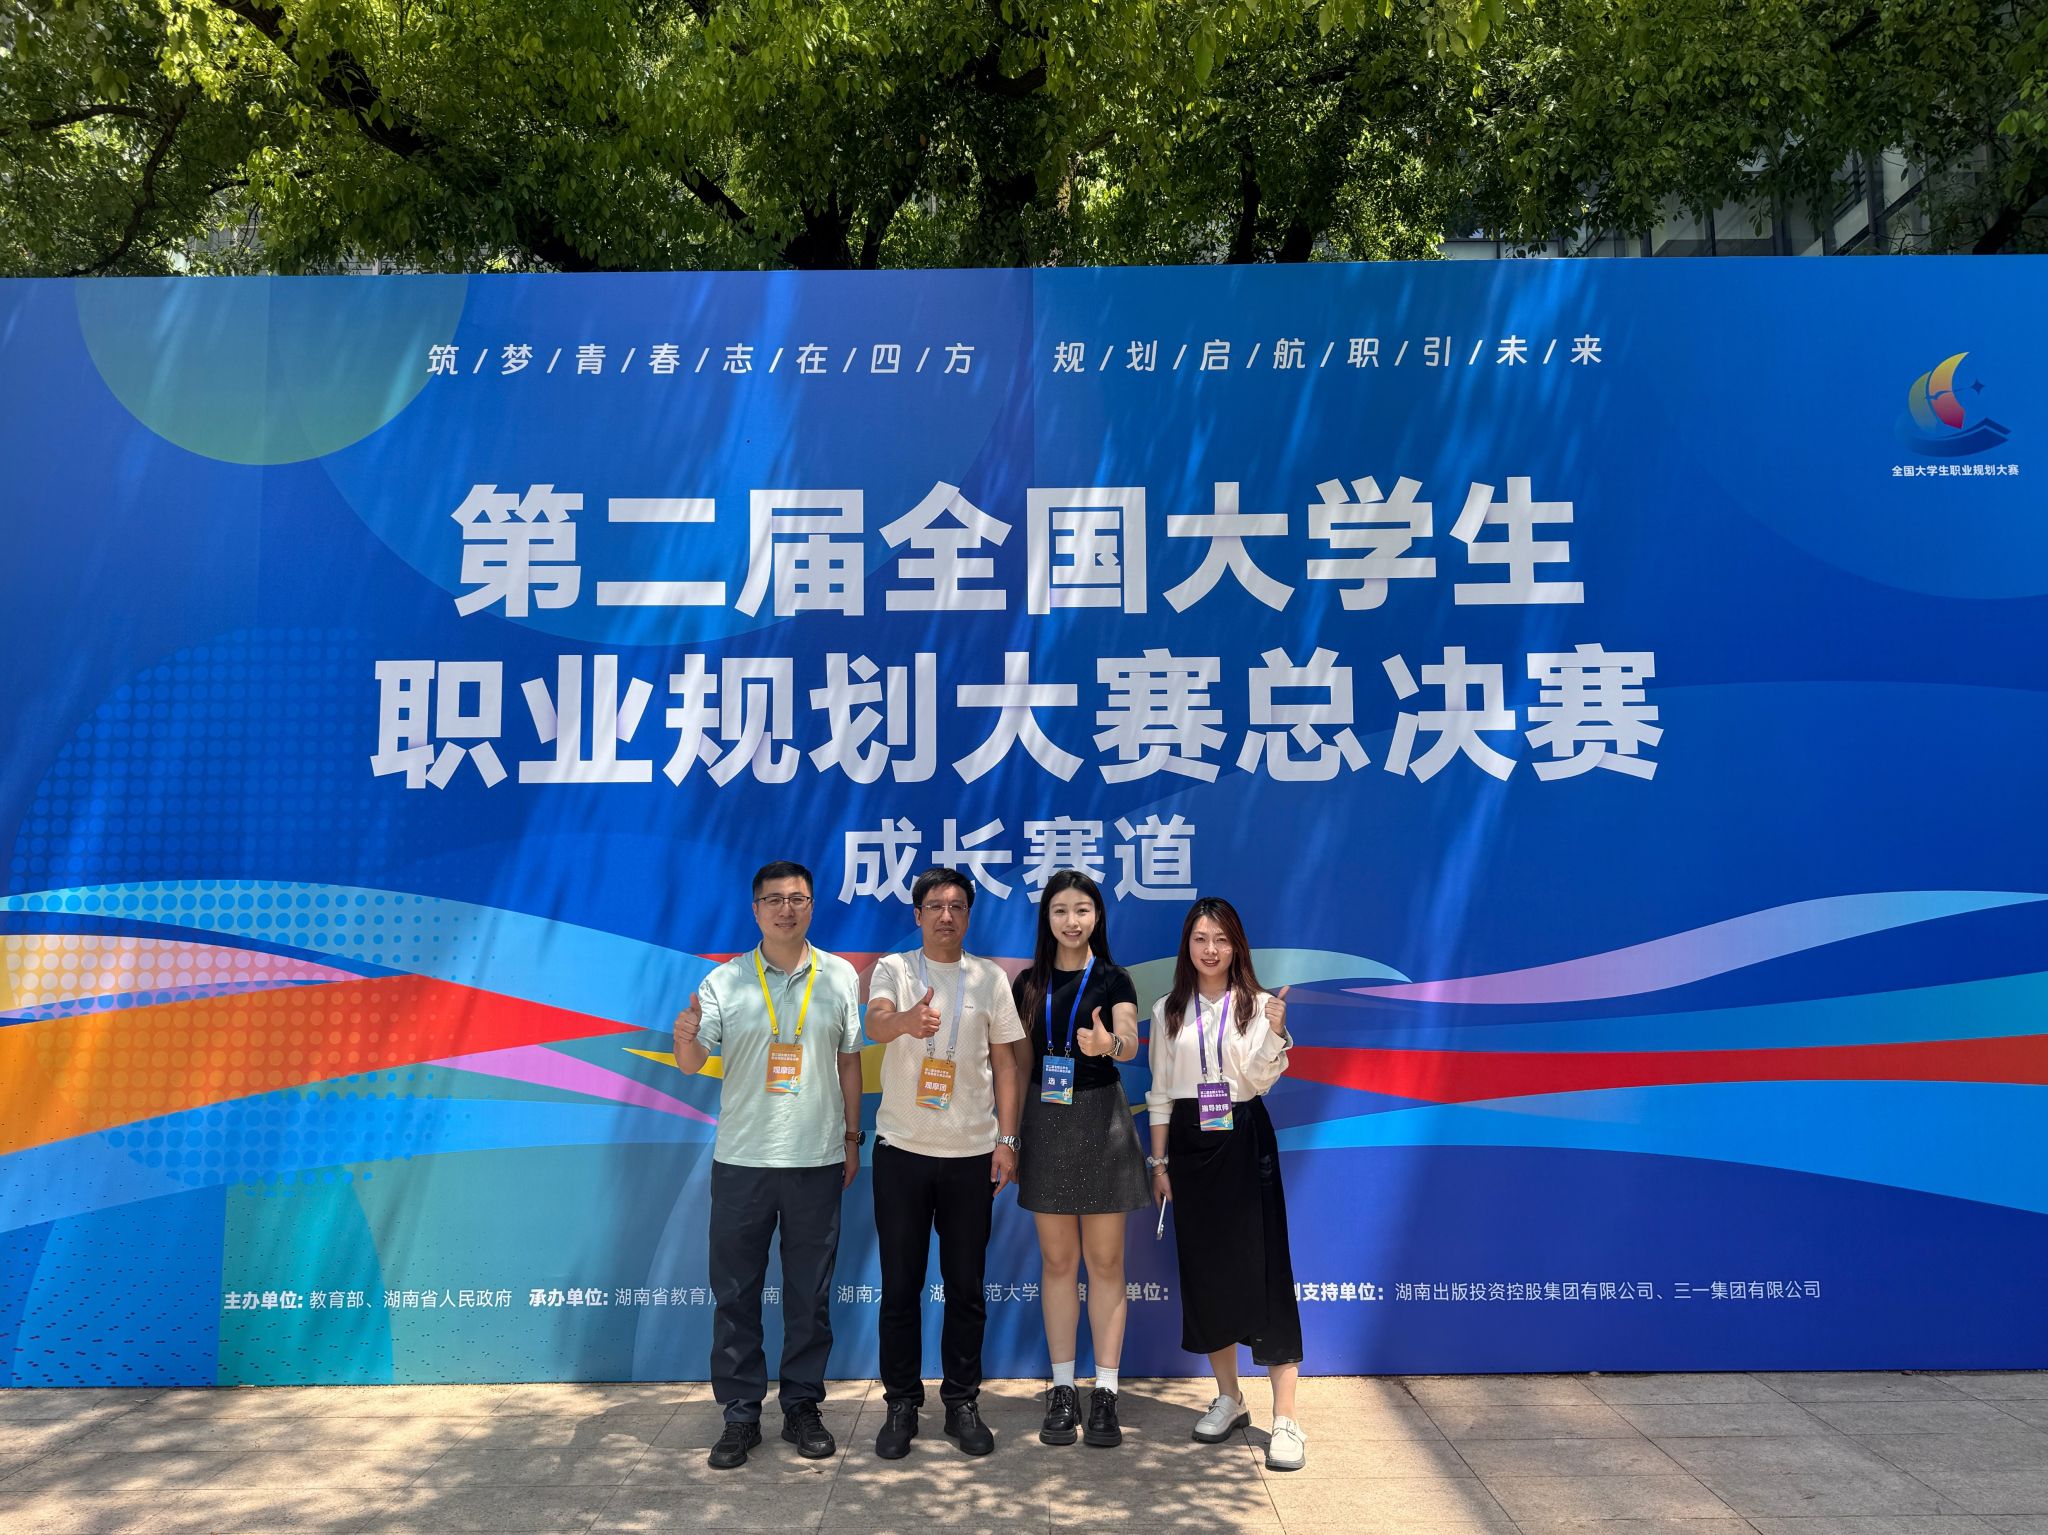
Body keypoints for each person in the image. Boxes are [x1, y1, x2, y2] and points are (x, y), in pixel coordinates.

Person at [671, 860, 866, 1471]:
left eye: (798, 898)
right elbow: (690, 1063)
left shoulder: (839, 975)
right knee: (736, 1294)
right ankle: (740, 1415)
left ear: (812, 905)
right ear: (755, 910)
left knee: (810, 1295)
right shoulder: (725, 981)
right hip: (743, 1161)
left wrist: (852, 1138)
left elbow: (850, 1060)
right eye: (774, 899)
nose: (787, 909)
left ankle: (803, 1406)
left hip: (817, 1158)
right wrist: (684, 1037)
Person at [862, 868, 1027, 1459]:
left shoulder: (989, 978)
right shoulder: (895, 969)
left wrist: (1008, 1140)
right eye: (935, 906)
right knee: (900, 1288)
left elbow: (1006, 1064)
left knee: (966, 1288)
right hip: (902, 1152)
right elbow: (875, 1023)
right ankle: (902, 1404)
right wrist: (905, 1023)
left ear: (969, 915)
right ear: (917, 915)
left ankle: (961, 1402)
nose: (946, 916)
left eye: (957, 906)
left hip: (970, 1155)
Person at [1145, 896, 1305, 1471]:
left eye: (1220, 939)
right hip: (1190, 1145)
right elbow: (1160, 1093)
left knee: (1266, 1270)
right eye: (1200, 939)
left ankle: (1285, 1419)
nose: (1210, 950)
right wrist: (1159, 1164)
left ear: (1236, 946)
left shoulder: (1258, 1005)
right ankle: (1230, 1398)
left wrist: (1275, 1032)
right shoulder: (1167, 1010)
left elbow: (1259, 1081)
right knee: (1206, 1273)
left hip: (1244, 1137)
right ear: (1186, 947)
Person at [1009, 869, 1148, 1450]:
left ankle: (1106, 1391)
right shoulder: (1027, 984)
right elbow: (1017, 1065)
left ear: (1097, 917)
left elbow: (1130, 1041)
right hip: (1045, 1124)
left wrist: (1107, 1044)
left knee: (1107, 1262)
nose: (1072, 921)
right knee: (1058, 1261)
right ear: (1047, 918)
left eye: (1083, 910)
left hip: (1102, 1121)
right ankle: (1063, 1388)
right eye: (1061, 910)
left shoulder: (1114, 978)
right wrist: (1010, 1137)